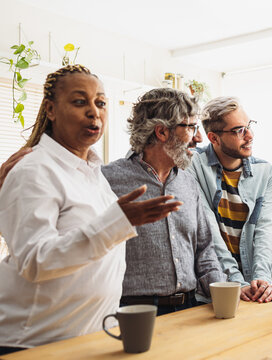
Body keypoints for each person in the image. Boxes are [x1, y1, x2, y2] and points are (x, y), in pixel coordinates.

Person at [0, 65, 181, 355]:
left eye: (100, 103)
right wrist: (118, 222)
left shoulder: (94, 174)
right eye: (79, 101)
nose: (94, 112)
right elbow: (35, 261)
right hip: (34, 343)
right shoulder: (33, 171)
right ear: (50, 109)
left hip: (89, 338)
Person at [101, 88, 226, 316]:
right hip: (131, 313)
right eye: (190, 127)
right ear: (161, 132)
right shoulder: (106, 180)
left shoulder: (188, 182)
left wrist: (223, 293)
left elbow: (204, 249)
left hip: (189, 308)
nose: (198, 138)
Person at [188, 96, 272, 303]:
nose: (249, 136)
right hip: (213, 289)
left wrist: (262, 280)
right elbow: (208, 231)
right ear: (213, 138)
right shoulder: (193, 165)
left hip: (254, 289)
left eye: (249, 126)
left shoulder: (265, 171)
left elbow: (264, 230)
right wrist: (236, 282)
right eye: (239, 130)